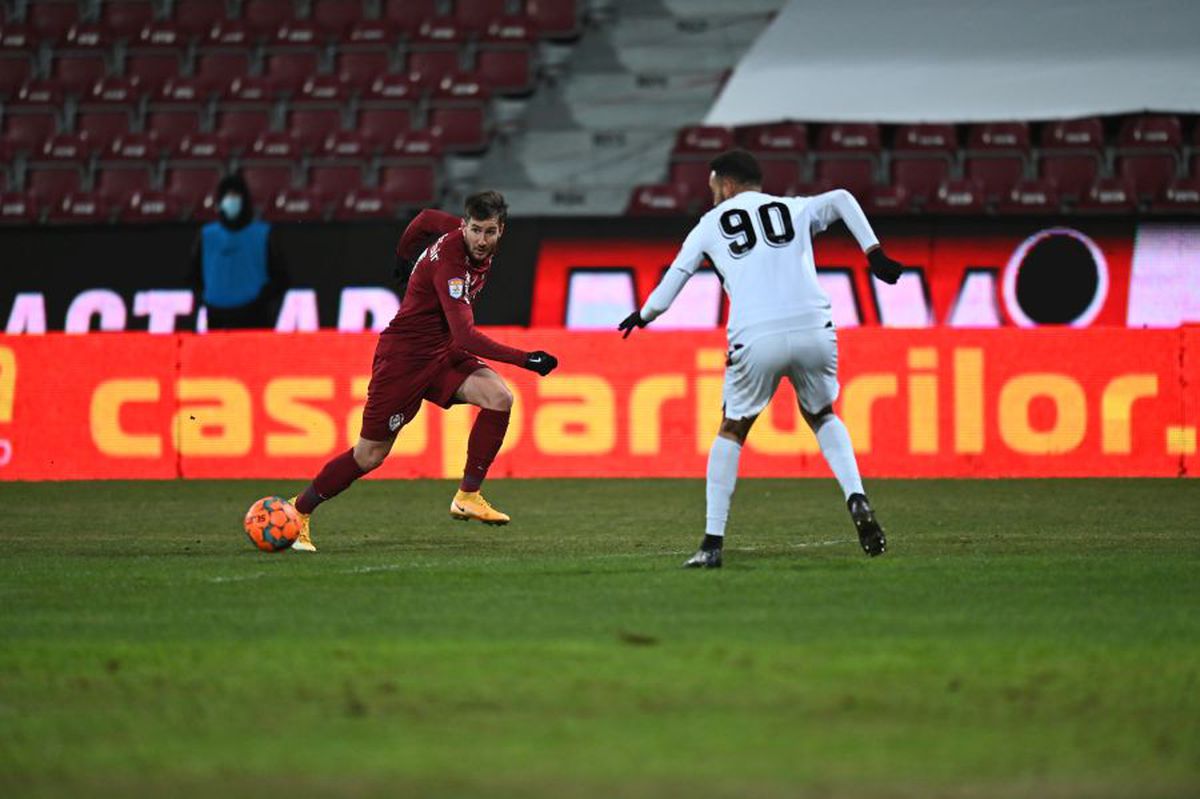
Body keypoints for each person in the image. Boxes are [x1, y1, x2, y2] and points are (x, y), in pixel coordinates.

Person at [619, 149, 904, 568]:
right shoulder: (794, 209)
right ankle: (856, 497)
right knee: (824, 414)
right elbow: (843, 197)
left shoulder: (709, 224)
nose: (712, 192)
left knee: (732, 429)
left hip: (756, 335)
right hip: (814, 328)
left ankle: (712, 542)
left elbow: (673, 280)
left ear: (727, 184)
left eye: (714, 184)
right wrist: (874, 253)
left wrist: (644, 315)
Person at [287, 190, 559, 552]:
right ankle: (298, 511)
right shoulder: (452, 266)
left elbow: (426, 219)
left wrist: (403, 257)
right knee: (370, 455)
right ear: (465, 226)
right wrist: (526, 359)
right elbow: (465, 335)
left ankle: (468, 495)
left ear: (501, 230)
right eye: (475, 230)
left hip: (440, 353)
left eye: (489, 232)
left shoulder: (458, 233)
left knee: (499, 397)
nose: (481, 240)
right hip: (403, 361)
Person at [188, 171, 288, 330]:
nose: (231, 200)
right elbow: (193, 275)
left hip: (255, 315)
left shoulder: (264, 233)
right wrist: (206, 299)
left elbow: (281, 277)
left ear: (244, 199)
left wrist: (262, 299)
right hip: (216, 315)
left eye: (235, 195)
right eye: (227, 196)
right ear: (220, 201)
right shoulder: (206, 235)